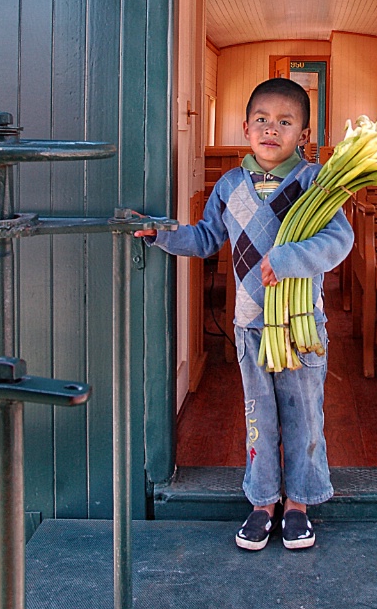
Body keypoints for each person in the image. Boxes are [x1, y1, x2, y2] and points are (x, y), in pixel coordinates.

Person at [134, 77, 353, 551]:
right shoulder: (230, 185)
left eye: (285, 122)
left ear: (304, 135)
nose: (271, 129)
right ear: (245, 127)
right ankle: (262, 501)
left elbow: (341, 241)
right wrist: (163, 234)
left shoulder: (314, 182)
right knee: (260, 417)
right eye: (262, 120)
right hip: (251, 326)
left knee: (303, 416)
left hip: (300, 327)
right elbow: (207, 237)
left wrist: (290, 257)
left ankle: (299, 503)